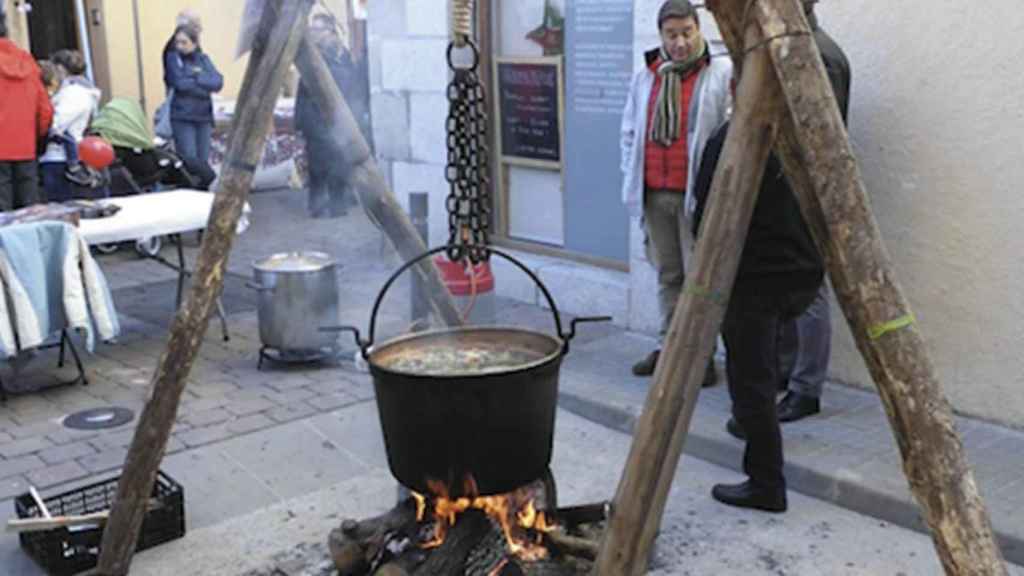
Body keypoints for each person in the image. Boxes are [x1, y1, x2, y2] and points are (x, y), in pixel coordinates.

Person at [725, 0, 851, 439]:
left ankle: (806, 387)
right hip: (782, 187)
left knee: (810, 290)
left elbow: (817, 133)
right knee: (783, 288)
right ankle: (783, 374)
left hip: (803, 191)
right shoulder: (788, 47)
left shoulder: (820, 55)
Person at [693, 119, 825, 512]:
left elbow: (707, 208)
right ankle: (753, 426)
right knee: (763, 368)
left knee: (751, 378)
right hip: (800, 270)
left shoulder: (734, 136)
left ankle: (766, 483)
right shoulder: (803, 132)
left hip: (753, 275)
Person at [620, 0, 731, 385]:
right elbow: (629, 132)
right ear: (661, 36)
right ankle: (668, 347)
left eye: (687, 32)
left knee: (701, 280)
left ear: (699, 29)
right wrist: (630, 175)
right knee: (669, 275)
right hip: (655, 194)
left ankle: (700, 357)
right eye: (672, 34)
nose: (680, 42)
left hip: (696, 199)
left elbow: (726, 136)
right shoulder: (646, 76)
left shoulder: (720, 73)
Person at [295, 13, 367, 218]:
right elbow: (303, 93)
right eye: (312, 30)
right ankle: (317, 204)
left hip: (340, 117)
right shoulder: (312, 58)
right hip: (316, 118)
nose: (314, 34)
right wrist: (301, 122)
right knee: (318, 164)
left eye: (318, 29)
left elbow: (353, 86)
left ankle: (338, 202)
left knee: (340, 161)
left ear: (331, 31)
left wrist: (357, 116)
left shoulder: (341, 54)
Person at [0, 10, 53, 211]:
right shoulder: (27, 62)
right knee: (30, 212)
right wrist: (36, 138)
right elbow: (45, 110)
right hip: (25, 147)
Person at [163, 24, 223, 182]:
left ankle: (203, 194)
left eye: (184, 42)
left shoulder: (204, 59)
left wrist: (194, 77)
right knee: (189, 162)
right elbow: (179, 84)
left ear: (194, 43)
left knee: (203, 162)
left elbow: (217, 82)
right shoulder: (173, 58)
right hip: (183, 118)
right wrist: (203, 82)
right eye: (178, 42)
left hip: (203, 117)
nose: (179, 46)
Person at [40, 50, 101, 202]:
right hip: (64, 156)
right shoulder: (80, 91)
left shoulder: (74, 93)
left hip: (59, 157)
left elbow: (56, 122)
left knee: (61, 205)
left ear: (60, 68)